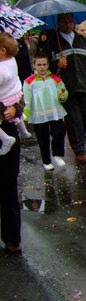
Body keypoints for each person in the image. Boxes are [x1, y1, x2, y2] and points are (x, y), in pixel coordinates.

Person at [45, 13, 86, 164]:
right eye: (64, 22)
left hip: (84, 85)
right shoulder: (53, 43)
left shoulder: (82, 41)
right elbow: (45, 69)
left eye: (70, 22)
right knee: (74, 118)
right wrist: (56, 65)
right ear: (59, 23)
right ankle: (79, 150)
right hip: (66, 88)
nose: (68, 25)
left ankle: (76, 135)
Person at [22, 53, 68, 170]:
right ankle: (46, 161)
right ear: (34, 65)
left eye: (44, 64)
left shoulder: (55, 79)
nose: (42, 67)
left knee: (60, 131)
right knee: (43, 138)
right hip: (38, 114)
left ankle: (57, 154)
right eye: (39, 65)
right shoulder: (28, 82)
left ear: (48, 65)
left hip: (55, 112)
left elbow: (63, 91)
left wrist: (63, 96)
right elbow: (26, 99)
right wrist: (26, 114)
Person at [0, 33, 31, 156]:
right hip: (15, 94)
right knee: (17, 119)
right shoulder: (11, 60)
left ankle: (6, 139)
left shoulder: (2, 69)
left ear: (2, 50)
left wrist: (16, 108)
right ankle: (23, 131)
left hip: (6, 103)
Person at [0, 85, 23, 254]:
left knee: (8, 185)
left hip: (7, 131)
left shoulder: (8, 63)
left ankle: (12, 237)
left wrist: (16, 108)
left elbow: (19, 94)